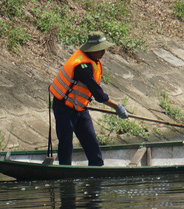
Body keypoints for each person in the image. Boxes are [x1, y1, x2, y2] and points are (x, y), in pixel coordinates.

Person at [49, 31, 128, 165]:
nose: (103, 52)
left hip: (80, 108)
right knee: (66, 141)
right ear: (92, 49)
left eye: (104, 49)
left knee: (91, 141)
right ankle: (64, 171)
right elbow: (98, 94)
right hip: (64, 108)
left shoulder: (93, 60)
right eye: (100, 49)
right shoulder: (82, 67)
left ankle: (97, 167)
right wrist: (117, 106)